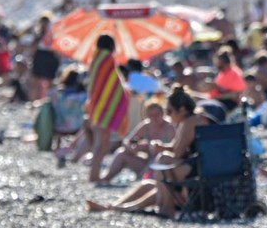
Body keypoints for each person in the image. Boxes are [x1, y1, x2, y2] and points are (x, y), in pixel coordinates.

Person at [86, 88, 223, 216]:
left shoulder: (189, 122)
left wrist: (161, 149)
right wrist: (160, 147)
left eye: (169, 111)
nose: (168, 116)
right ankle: (115, 206)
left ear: (181, 109)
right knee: (148, 184)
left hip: (202, 169)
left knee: (163, 160)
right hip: (201, 167)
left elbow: (177, 153)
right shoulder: (193, 119)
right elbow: (176, 148)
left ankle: (164, 208)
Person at [83, 34, 130, 183]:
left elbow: (100, 83)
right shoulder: (107, 59)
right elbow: (110, 82)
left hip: (99, 105)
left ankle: (94, 174)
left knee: (101, 142)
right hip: (106, 106)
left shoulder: (95, 59)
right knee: (103, 143)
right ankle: (94, 175)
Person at [99, 97, 177, 183]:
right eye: (151, 115)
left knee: (157, 157)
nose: (154, 118)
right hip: (146, 162)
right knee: (121, 153)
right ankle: (106, 178)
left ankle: (142, 180)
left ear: (163, 114)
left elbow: (174, 148)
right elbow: (127, 141)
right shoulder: (146, 126)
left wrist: (156, 147)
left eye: (157, 115)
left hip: (162, 163)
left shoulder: (169, 127)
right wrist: (133, 148)